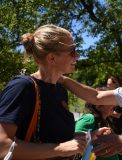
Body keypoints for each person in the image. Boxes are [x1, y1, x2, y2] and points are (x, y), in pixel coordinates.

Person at [0, 24, 86, 159]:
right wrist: (59, 149)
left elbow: (48, 136)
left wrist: (83, 137)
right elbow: (2, 146)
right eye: (72, 51)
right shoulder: (22, 87)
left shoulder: (60, 91)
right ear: (52, 58)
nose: (78, 56)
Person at [75, 87, 119, 160]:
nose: (114, 104)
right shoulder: (89, 118)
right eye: (110, 100)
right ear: (99, 106)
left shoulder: (106, 120)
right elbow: (76, 141)